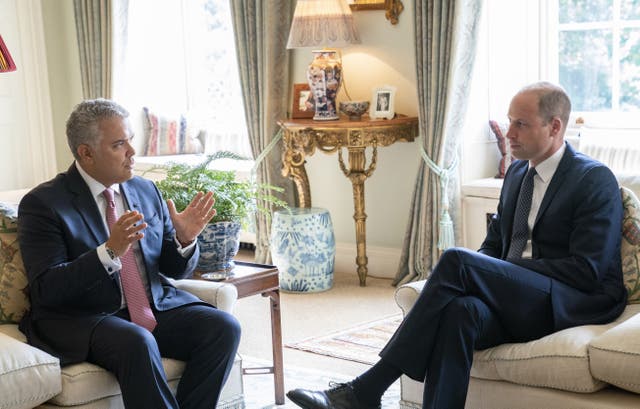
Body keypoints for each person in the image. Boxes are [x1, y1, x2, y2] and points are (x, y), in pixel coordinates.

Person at [286, 81, 627, 409]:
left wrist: (498, 275)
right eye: (509, 121)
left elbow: (587, 271)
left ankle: (367, 389)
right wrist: (490, 279)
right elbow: (493, 246)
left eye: (520, 124)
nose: (509, 133)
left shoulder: (592, 179)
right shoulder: (517, 174)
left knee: (458, 262)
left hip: (569, 300)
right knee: (459, 313)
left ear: (554, 127)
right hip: (519, 300)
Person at [17, 99, 241, 409]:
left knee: (223, 328)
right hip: (84, 317)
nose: (132, 152)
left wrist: (184, 239)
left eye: (130, 140)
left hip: (152, 307)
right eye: (119, 144)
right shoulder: (43, 204)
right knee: (137, 341)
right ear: (86, 153)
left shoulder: (145, 190)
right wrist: (109, 251)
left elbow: (173, 269)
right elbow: (47, 288)